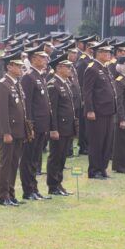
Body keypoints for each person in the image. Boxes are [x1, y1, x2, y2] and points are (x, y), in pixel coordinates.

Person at [0, 51, 27, 207]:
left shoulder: (16, 83)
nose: (21, 67)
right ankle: (3, 195)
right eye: (18, 65)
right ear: (9, 67)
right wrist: (6, 132)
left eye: (21, 65)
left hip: (18, 131)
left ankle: (11, 193)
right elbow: (2, 111)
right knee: (6, 164)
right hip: (7, 132)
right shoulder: (3, 84)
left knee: (14, 164)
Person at [82, 41, 118, 178]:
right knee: (97, 142)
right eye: (105, 52)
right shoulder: (92, 68)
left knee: (106, 142)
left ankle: (102, 169)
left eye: (109, 52)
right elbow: (87, 91)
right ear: (98, 53)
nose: (108, 54)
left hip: (108, 111)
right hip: (97, 112)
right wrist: (90, 110)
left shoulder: (104, 67)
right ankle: (95, 170)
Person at [20, 47, 52, 200]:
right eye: (42, 58)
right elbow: (27, 105)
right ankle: (28, 190)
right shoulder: (29, 77)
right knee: (28, 159)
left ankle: (34, 188)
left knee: (36, 159)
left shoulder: (40, 76)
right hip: (34, 126)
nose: (45, 60)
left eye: (46, 58)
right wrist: (29, 126)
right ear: (33, 59)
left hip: (42, 125)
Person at [45, 56, 76, 192]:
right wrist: (53, 129)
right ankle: (53, 185)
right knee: (55, 157)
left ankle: (59, 183)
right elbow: (53, 110)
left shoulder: (64, 82)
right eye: (67, 67)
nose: (70, 69)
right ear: (58, 68)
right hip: (59, 127)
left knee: (62, 157)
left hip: (67, 126)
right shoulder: (53, 84)